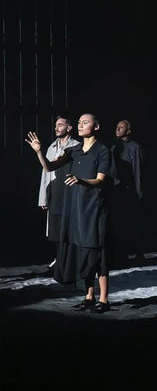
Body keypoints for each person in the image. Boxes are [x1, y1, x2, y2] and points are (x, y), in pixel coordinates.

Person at [26, 113, 114, 313]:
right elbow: (49, 167)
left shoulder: (102, 151)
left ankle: (104, 299)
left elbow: (100, 180)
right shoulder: (74, 151)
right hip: (76, 208)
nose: (81, 125)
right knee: (82, 251)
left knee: (97, 252)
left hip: (94, 208)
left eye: (85, 122)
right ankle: (89, 296)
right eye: (80, 122)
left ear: (96, 127)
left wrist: (80, 181)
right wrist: (39, 152)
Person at [37, 116, 80, 269]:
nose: (57, 128)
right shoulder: (51, 147)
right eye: (56, 125)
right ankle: (59, 258)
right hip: (55, 194)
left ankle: (70, 260)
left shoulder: (76, 146)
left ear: (69, 128)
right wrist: (43, 197)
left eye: (60, 125)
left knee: (70, 229)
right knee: (55, 230)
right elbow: (45, 173)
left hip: (70, 194)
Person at [111, 119, 145, 264]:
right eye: (117, 127)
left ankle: (138, 253)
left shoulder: (134, 147)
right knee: (120, 223)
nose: (118, 129)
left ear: (128, 130)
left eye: (121, 127)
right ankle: (122, 254)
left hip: (130, 190)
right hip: (117, 190)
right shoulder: (114, 147)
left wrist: (138, 190)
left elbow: (138, 170)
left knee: (133, 222)